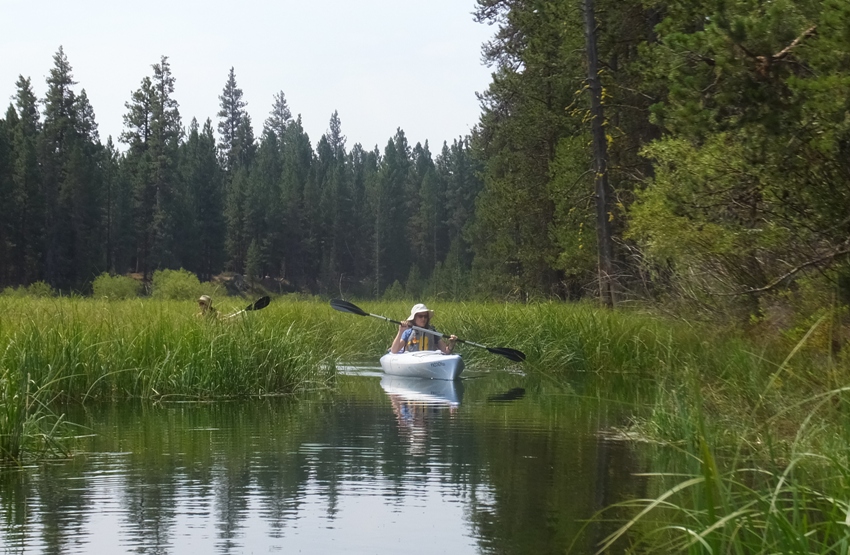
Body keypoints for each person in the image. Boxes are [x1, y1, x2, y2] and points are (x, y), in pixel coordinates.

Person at [390, 303, 457, 354]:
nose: (423, 319)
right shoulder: (408, 332)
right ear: (414, 318)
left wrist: (451, 343)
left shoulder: (433, 332)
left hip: (429, 359)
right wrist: (400, 331)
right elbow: (394, 351)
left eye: (425, 316)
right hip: (412, 359)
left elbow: (446, 351)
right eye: (420, 316)